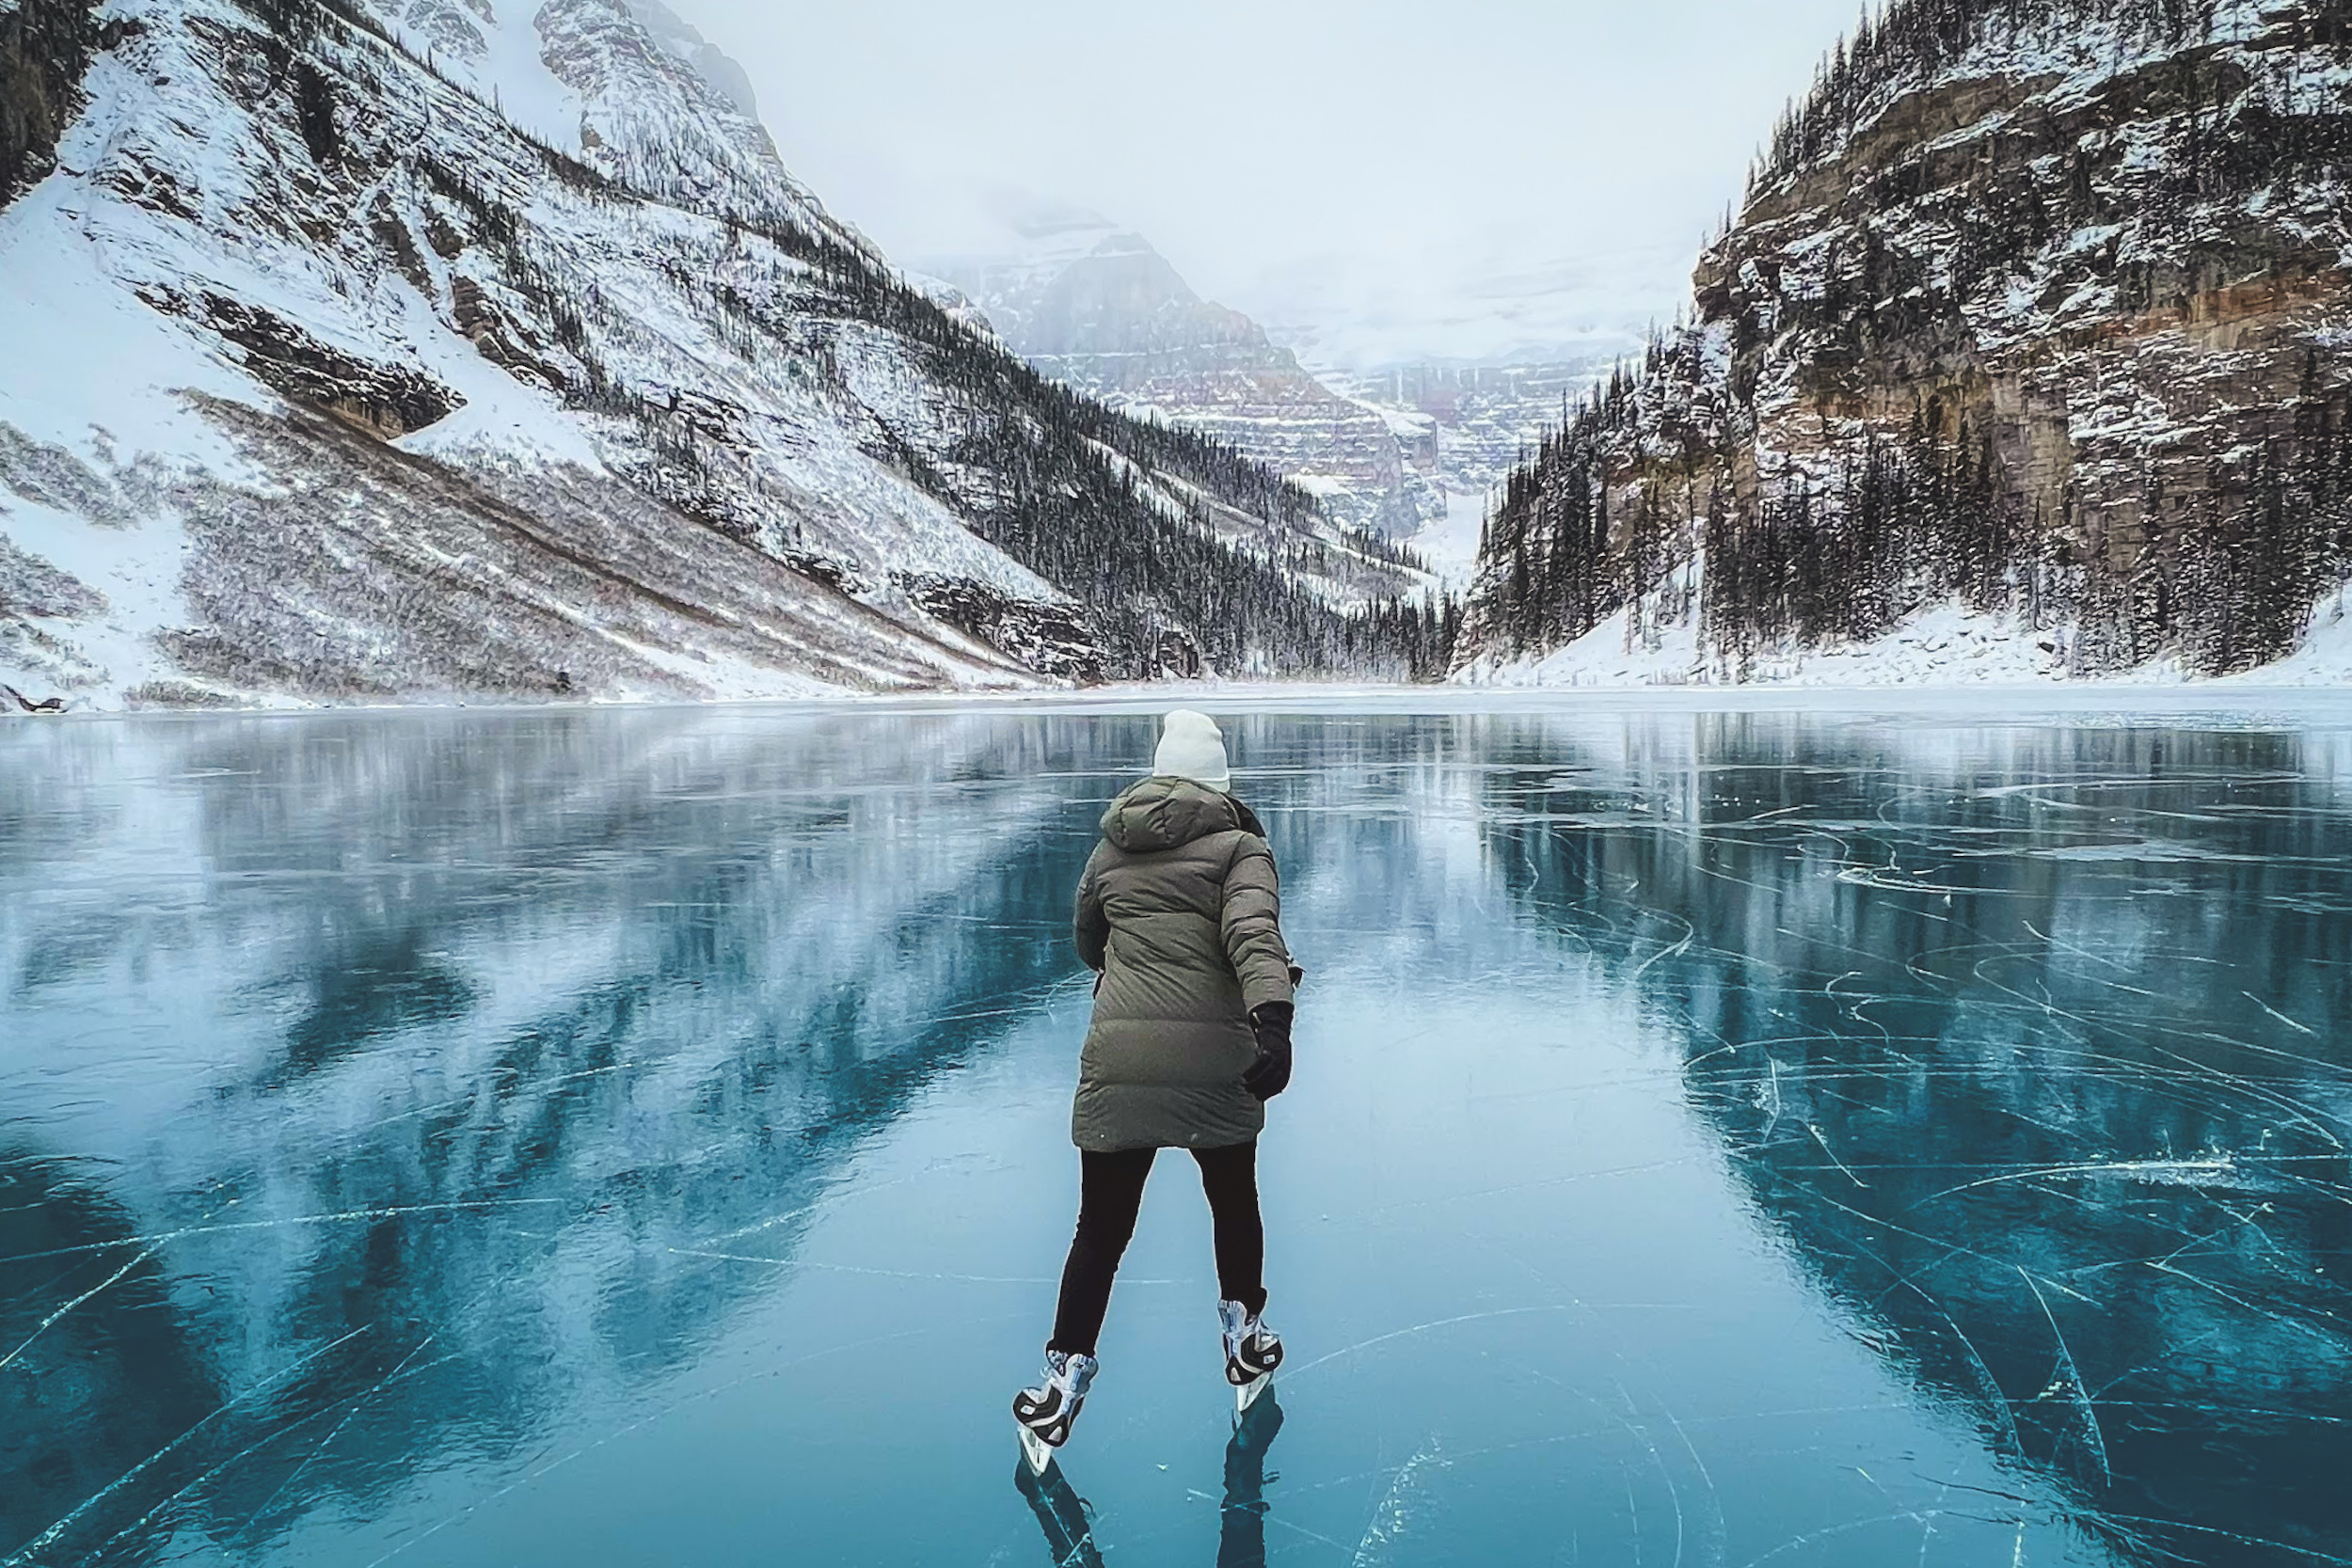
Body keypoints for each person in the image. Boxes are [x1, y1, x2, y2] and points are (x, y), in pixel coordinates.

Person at [1013, 710, 1298, 1460]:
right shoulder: (1243, 847)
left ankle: (1062, 1380)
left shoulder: (1112, 847)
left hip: (1120, 1066)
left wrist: (1132, 963)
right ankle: (1243, 1336)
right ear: (1221, 780)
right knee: (1234, 1205)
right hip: (1217, 1069)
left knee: (1099, 1232)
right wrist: (1273, 1018)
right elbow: (1254, 935)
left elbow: (1086, 940)